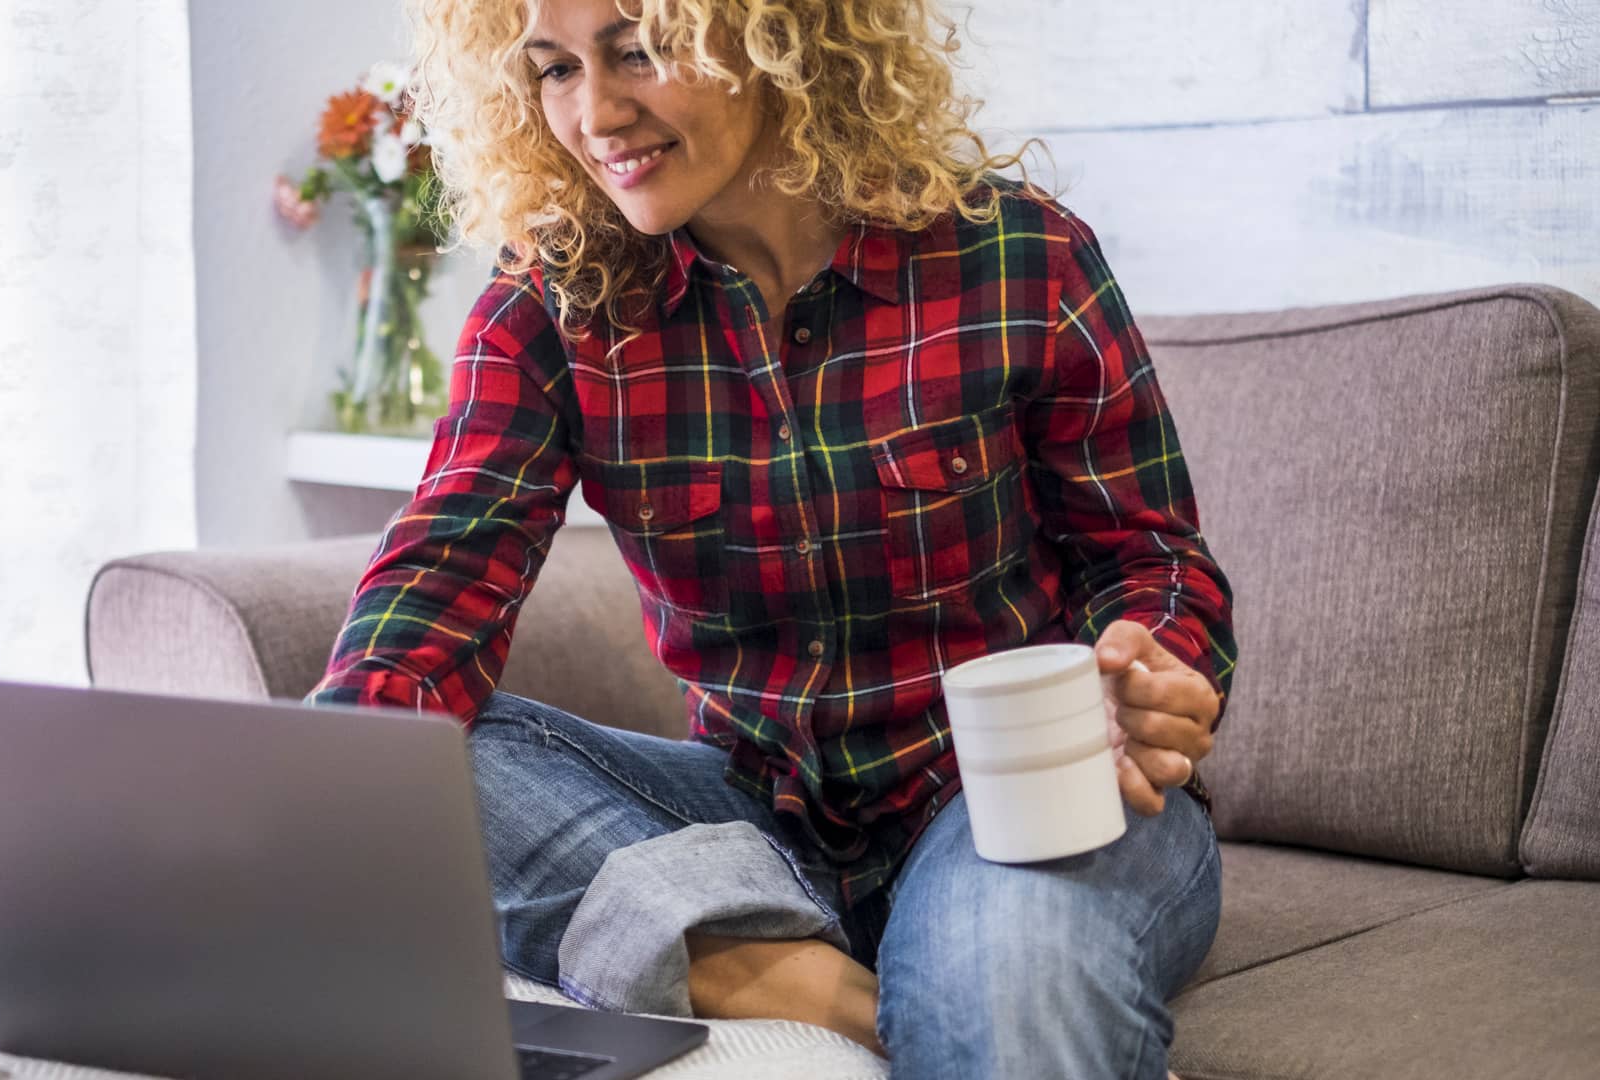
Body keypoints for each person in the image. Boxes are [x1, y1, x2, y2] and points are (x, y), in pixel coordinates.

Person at [306, 0, 1236, 1076]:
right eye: (554, 70)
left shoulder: (1019, 257)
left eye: (639, 51)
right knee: (423, 766)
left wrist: (1151, 664)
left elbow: (1151, 561)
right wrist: (326, 791)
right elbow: (443, 571)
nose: (595, 114)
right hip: (756, 817)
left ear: (781, 35)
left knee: (1007, 972)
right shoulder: (552, 304)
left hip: (1026, 795)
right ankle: (819, 983)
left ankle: (784, 957)